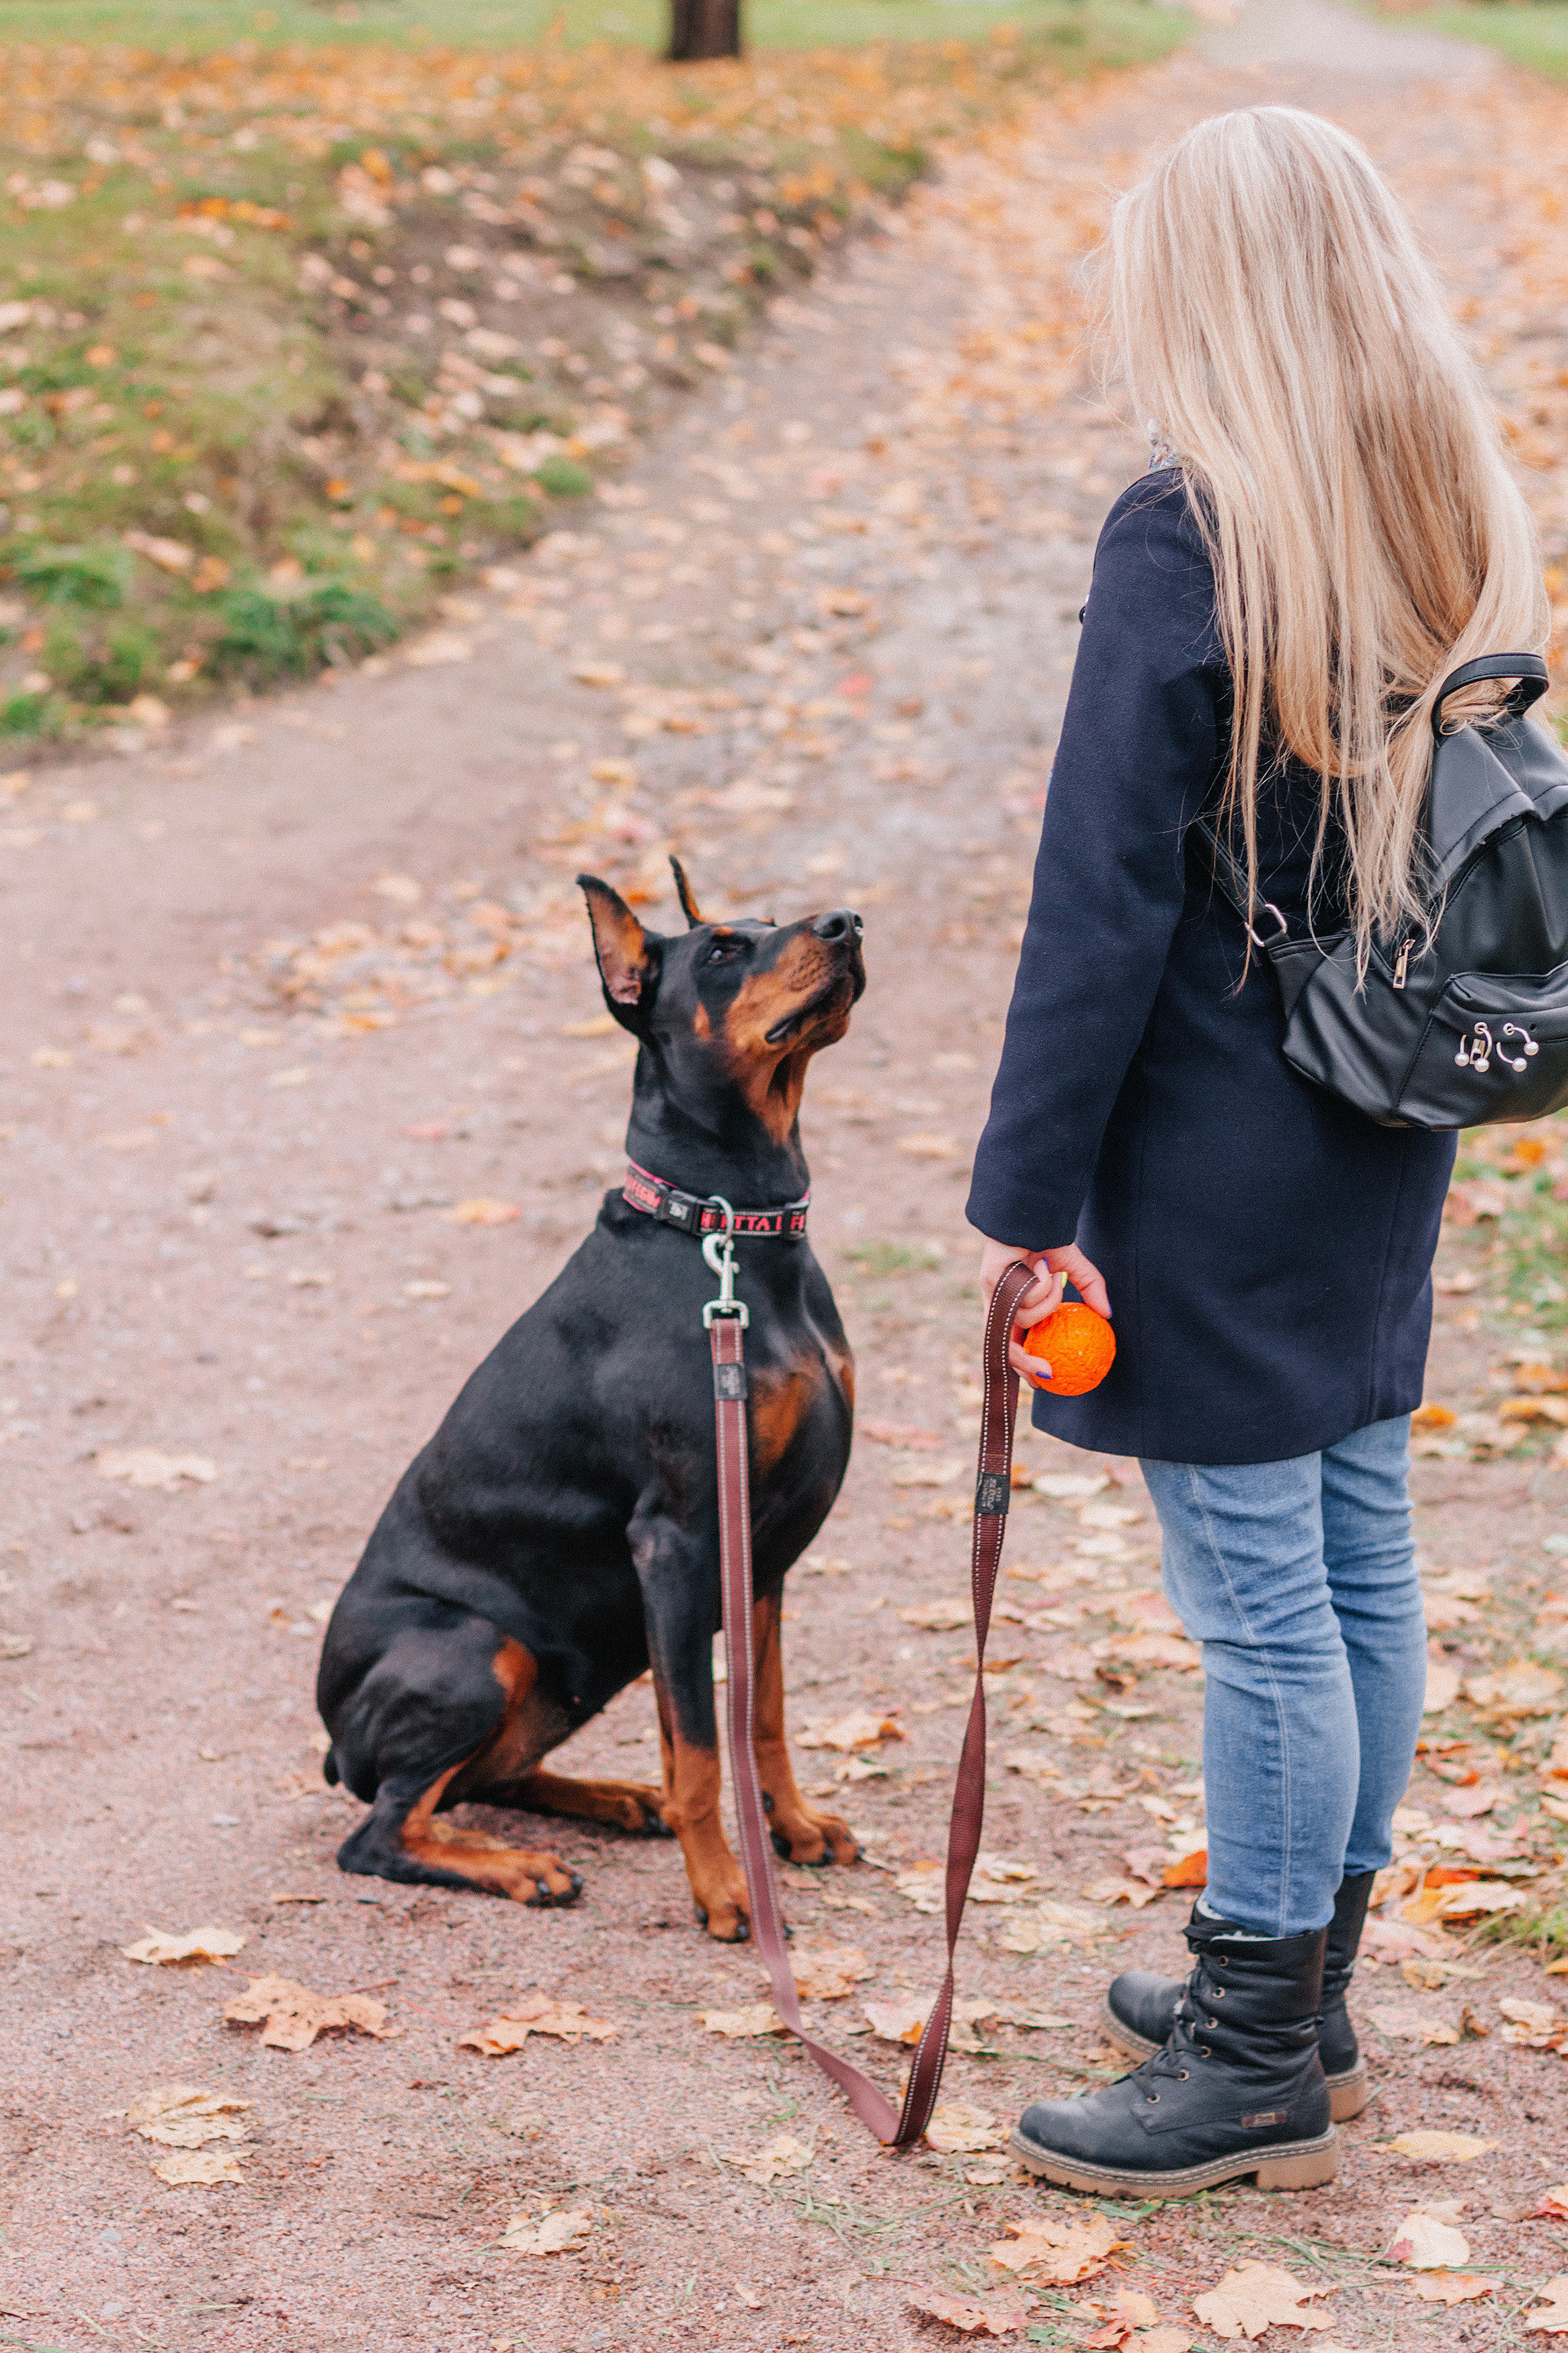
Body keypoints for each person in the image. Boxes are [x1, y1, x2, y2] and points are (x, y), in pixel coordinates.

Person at [967, 104, 1548, 2198]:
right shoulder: (1447, 499)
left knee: (1266, 1610)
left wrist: (1025, 1208)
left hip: (1215, 1144)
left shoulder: (1190, 526)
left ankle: (1249, 2055)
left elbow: (1098, 902)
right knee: (1359, 1551)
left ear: (1206, 295)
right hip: (1381, 1115)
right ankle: (1305, 1988)